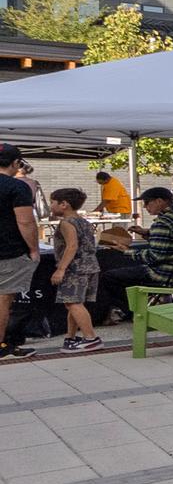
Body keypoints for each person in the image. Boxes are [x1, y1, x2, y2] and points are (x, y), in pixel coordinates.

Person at [100, 187, 173, 301]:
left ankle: (134, 312)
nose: (145, 206)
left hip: (167, 273)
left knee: (109, 277)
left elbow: (155, 257)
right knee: (128, 269)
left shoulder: (162, 223)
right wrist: (148, 233)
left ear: (159, 201)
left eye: (147, 202)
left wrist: (126, 251)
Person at [46, 187, 101, 353]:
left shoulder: (66, 223)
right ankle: (70, 337)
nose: (51, 207)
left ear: (64, 204)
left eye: (53, 203)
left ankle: (91, 338)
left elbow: (72, 246)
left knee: (73, 303)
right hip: (91, 265)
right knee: (74, 304)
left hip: (75, 269)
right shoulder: (84, 222)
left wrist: (61, 269)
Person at [0, 145, 41, 359]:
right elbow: (25, 221)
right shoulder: (16, 187)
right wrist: (34, 249)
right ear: (16, 163)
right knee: (4, 299)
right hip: (8, 251)